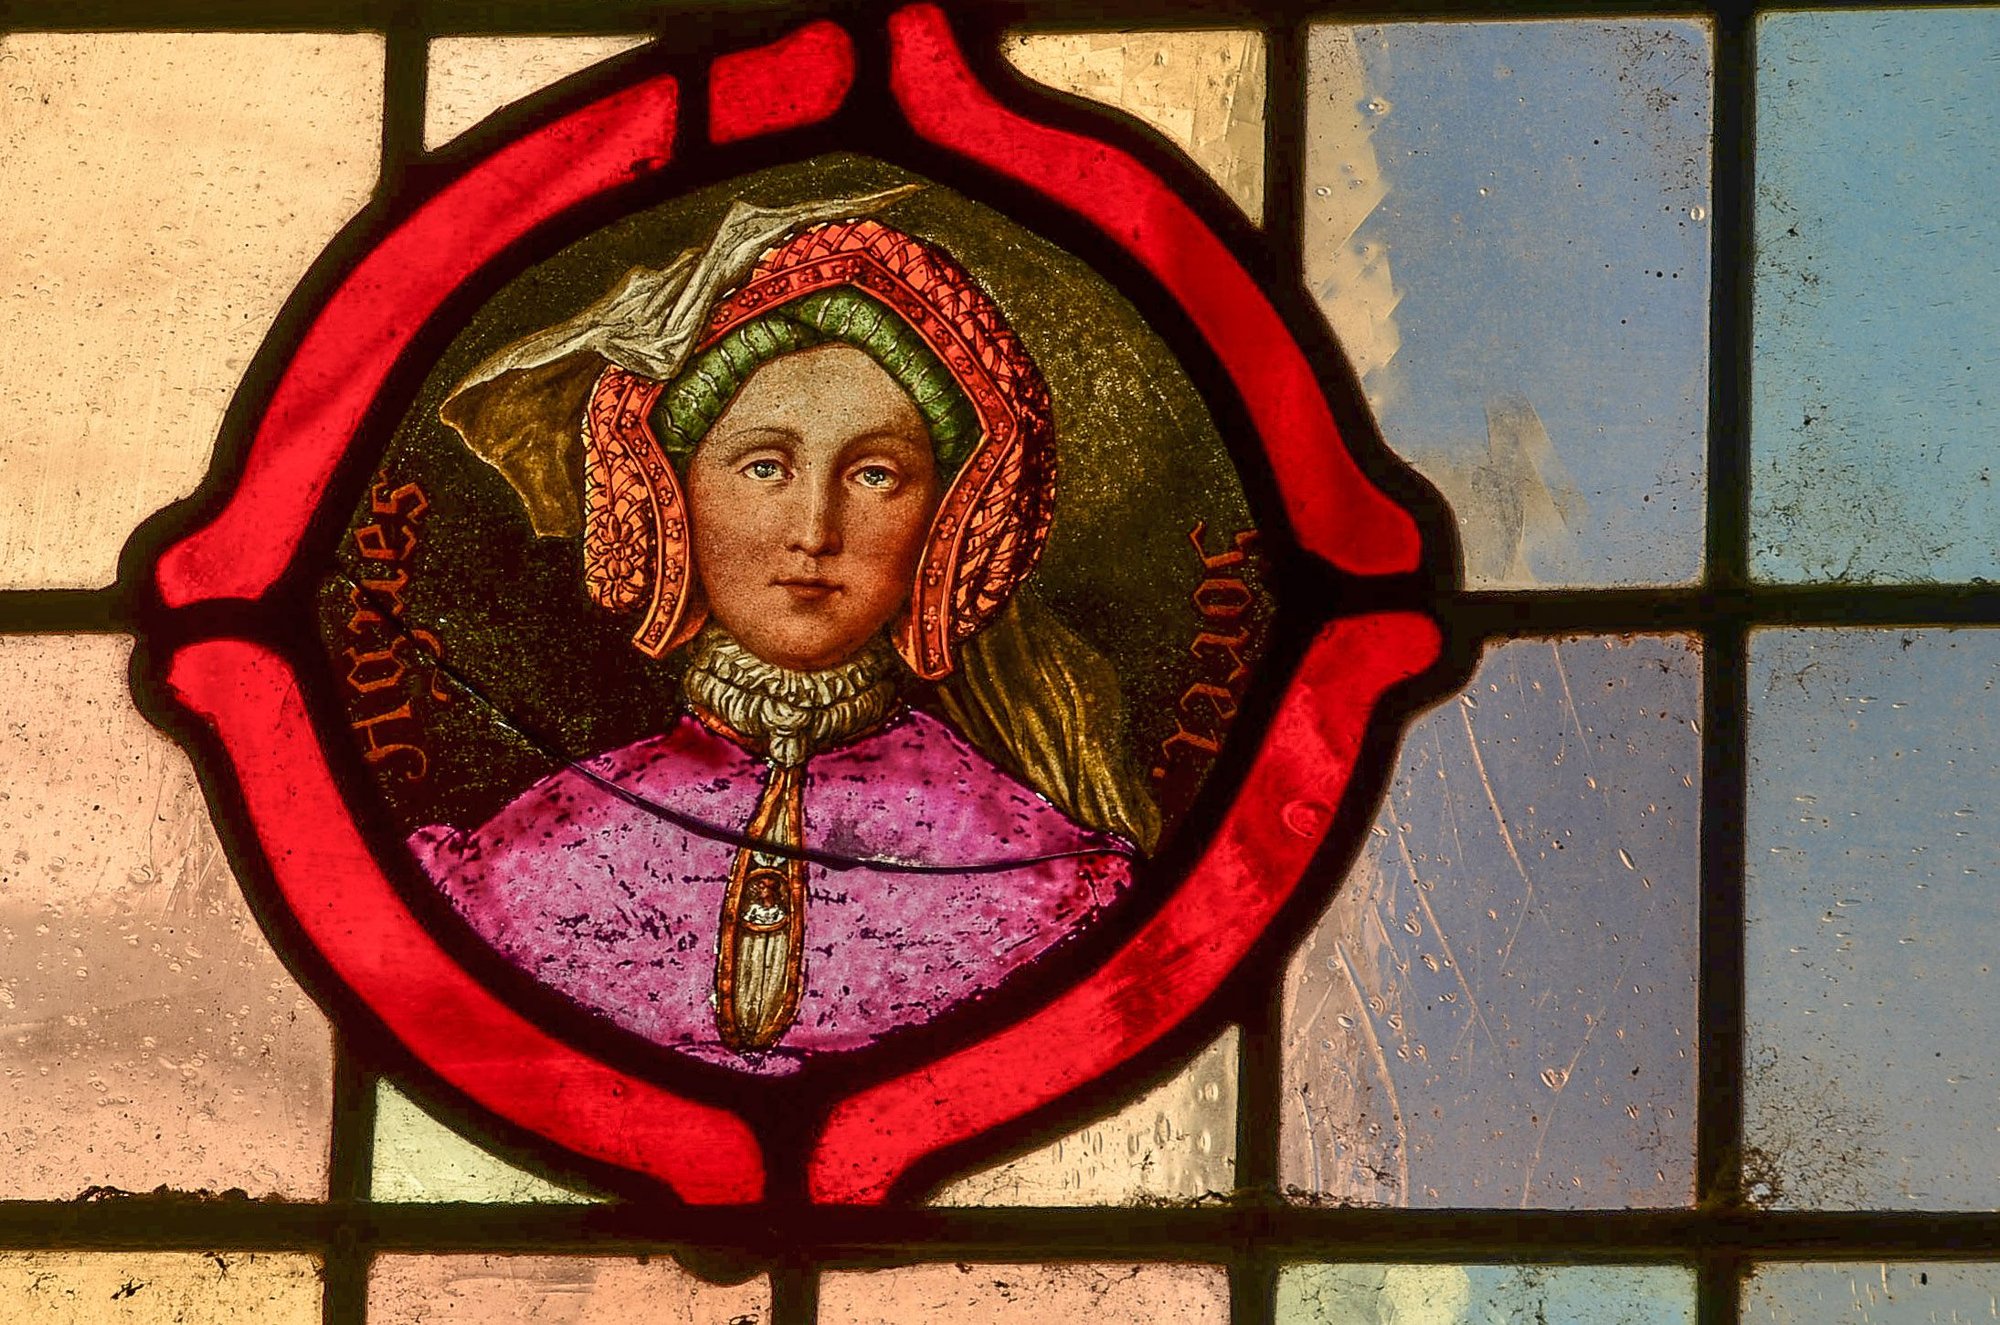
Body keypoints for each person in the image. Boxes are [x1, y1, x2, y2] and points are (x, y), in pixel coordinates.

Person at [410, 188, 1159, 1074]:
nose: (815, 528)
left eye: (875, 473)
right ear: (672, 499)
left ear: (947, 521)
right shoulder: (524, 865)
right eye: (765, 465)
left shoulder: (1049, 881)